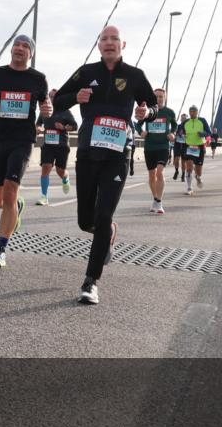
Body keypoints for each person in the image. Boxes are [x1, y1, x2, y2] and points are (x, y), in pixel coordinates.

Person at [52, 25, 157, 304]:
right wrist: (75, 98)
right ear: (99, 45)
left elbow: (153, 105)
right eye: (104, 39)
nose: (109, 43)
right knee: (85, 220)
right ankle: (107, 232)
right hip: (88, 153)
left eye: (114, 39)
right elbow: (57, 100)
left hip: (118, 155)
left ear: (123, 44)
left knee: (103, 216)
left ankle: (91, 281)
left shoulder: (135, 76)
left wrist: (146, 112)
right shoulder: (86, 72)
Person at [0, 34, 51, 268]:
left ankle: (1, 249)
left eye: (25, 46)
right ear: (11, 49)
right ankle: (17, 207)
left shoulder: (38, 79)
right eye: (16, 45)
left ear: (31, 53)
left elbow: (45, 105)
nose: (19, 48)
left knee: (10, 192)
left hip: (22, 141)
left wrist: (47, 110)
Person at [137, 87, 176, 214]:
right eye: (156, 97)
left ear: (164, 98)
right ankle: (155, 198)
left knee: (160, 172)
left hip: (163, 146)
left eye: (160, 96)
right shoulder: (148, 112)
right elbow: (137, 124)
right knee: (151, 175)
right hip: (149, 147)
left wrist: (172, 133)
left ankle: (159, 201)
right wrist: (141, 132)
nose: (158, 99)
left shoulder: (169, 112)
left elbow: (175, 125)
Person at [34, 89, 76, 205]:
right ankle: (44, 197)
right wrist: (38, 128)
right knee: (45, 168)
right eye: (50, 96)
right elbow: (38, 123)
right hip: (48, 145)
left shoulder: (65, 111)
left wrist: (64, 127)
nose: (52, 99)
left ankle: (65, 178)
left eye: (54, 96)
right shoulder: (45, 111)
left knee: (60, 171)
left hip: (62, 145)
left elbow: (75, 126)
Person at [181, 105, 211, 195]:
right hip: (189, 146)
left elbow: (209, 132)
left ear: (197, 112)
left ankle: (198, 177)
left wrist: (202, 133)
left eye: (194, 111)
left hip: (200, 146)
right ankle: (189, 188)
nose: (192, 113)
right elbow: (180, 131)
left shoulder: (202, 120)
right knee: (189, 167)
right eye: (191, 111)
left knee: (199, 171)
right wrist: (181, 134)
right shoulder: (186, 122)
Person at [172, 114, 188, 181]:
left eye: (185, 118)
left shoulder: (188, 127)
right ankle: (176, 171)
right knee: (176, 159)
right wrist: (175, 135)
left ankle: (183, 174)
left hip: (185, 145)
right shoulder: (178, 126)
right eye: (182, 118)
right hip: (177, 144)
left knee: (183, 161)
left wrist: (185, 135)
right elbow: (173, 133)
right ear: (181, 119)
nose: (183, 119)